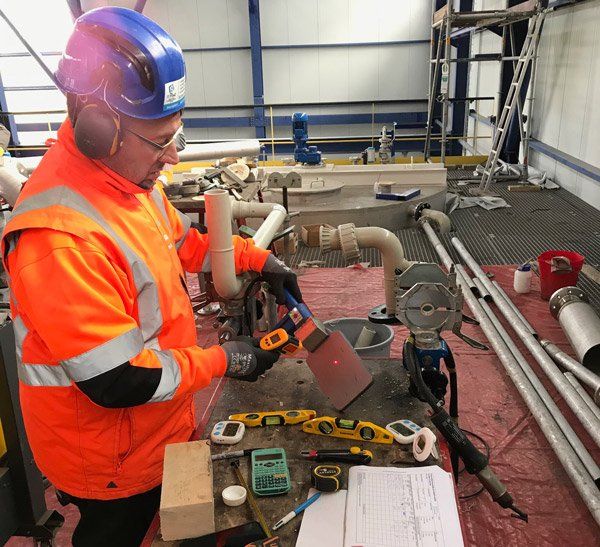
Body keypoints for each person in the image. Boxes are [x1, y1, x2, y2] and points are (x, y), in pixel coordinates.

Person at [1, 7, 302, 546]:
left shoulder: (127, 183)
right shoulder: (59, 237)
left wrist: (256, 260)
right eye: (160, 141)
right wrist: (226, 359)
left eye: (175, 136)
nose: (172, 157)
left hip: (154, 429)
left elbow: (183, 244)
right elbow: (119, 380)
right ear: (100, 130)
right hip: (108, 457)